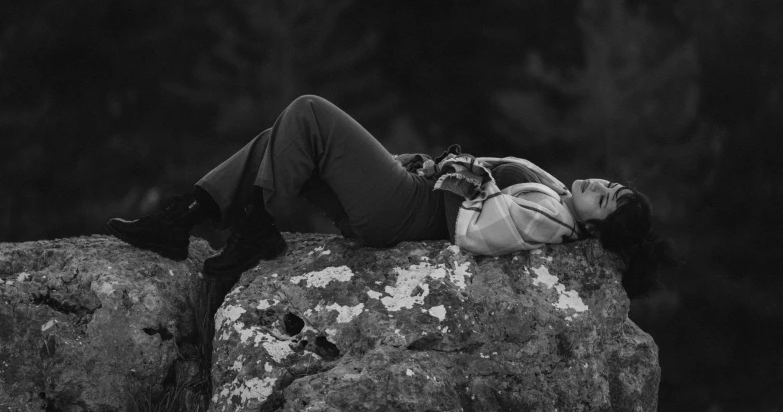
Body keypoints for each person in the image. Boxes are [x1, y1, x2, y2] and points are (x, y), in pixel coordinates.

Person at [106, 95, 667, 298]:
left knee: (308, 112)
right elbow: (480, 186)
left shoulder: (552, 220)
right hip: (410, 198)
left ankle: (253, 229)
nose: (598, 186)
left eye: (606, 200)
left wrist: (453, 167)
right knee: (281, 138)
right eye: (609, 185)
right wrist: (445, 165)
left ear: (594, 228)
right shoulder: (554, 194)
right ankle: (181, 218)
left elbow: (479, 230)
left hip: (406, 210)